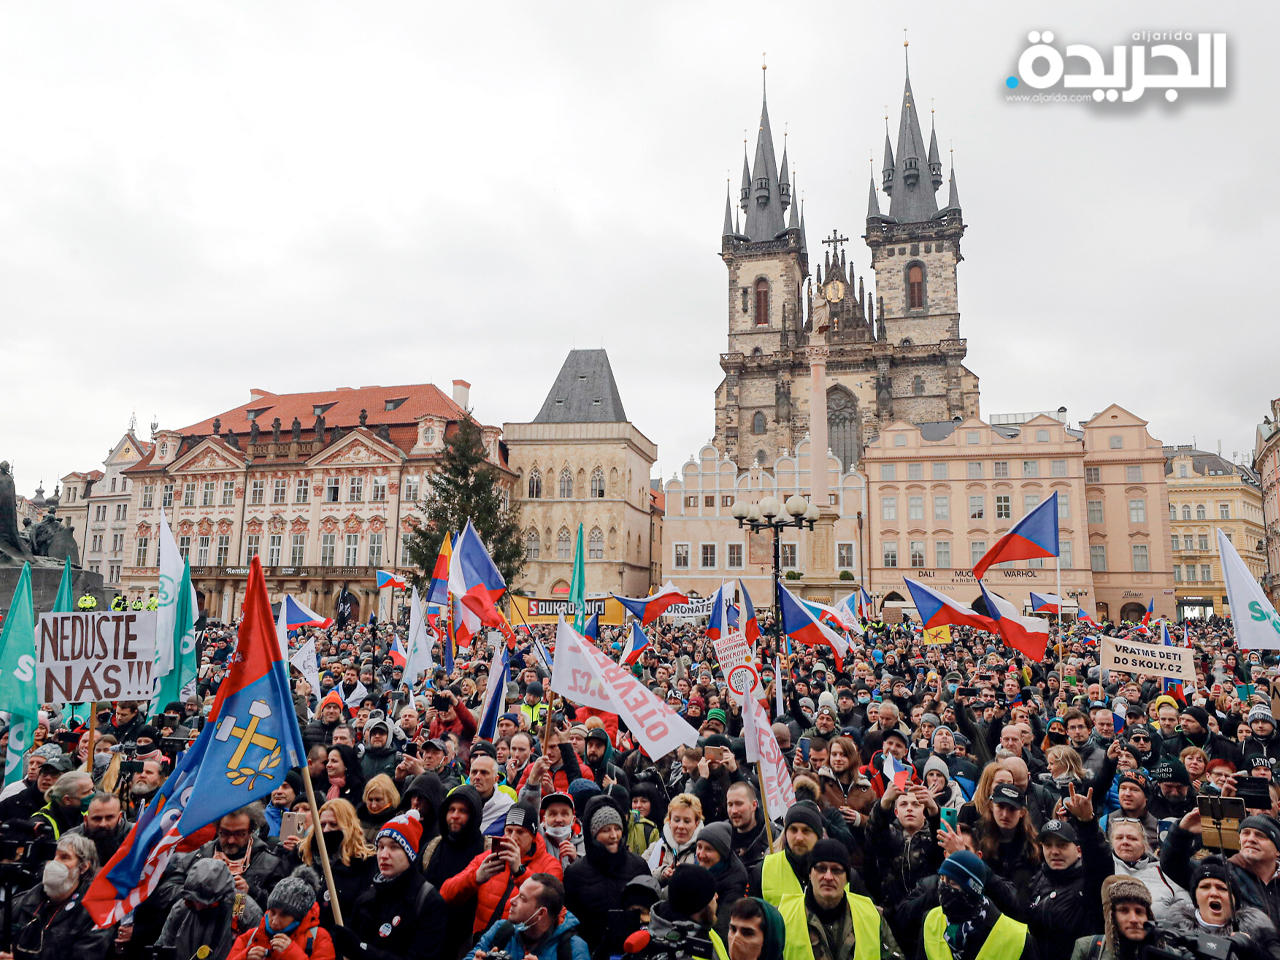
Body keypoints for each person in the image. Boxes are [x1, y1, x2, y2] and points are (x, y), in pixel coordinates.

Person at [330, 810, 448, 960]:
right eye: (380, 847)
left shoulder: (428, 901)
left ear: (410, 853)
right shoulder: (366, 898)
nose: (384, 855)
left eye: (394, 847)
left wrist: (360, 949)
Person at [442, 802, 562, 938]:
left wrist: (520, 872)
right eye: (509, 831)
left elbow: (552, 908)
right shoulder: (488, 858)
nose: (513, 837)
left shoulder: (550, 865)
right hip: (482, 942)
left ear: (533, 836)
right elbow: (445, 893)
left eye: (520, 832)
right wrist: (475, 877)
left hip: (520, 944)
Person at [777, 838, 902, 960]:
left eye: (836, 870)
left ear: (847, 878)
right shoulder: (782, 917)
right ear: (810, 874)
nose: (828, 877)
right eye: (821, 868)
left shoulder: (871, 915)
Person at [563, 796, 649, 958]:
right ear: (593, 834)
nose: (614, 835)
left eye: (617, 828)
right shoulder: (575, 873)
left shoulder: (638, 866)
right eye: (606, 830)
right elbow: (570, 923)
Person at [8, 834, 112, 960]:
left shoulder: (96, 914)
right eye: (52, 856)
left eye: (64, 857)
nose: (54, 862)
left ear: (83, 867)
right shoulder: (21, 902)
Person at [922, 851, 1038, 960]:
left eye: (953, 882)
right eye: (942, 879)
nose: (944, 887)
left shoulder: (1017, 938)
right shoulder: (931, 920)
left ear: (972, 890)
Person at [1161, 856, 1280, 958]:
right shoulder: (1173, 927)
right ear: (1195, 897)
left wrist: (1251, 950)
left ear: (1235, 900)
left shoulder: (1259, 929)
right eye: (1205, 887)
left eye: (1222, 888)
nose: (1214, 893)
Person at [176, 804, 288, 909]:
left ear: (251, 831)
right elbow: (169, 890)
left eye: (239, 834)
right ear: (217, 829)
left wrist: (251, 893)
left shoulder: (271, 864)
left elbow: (278, 910)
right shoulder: (200, 855)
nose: (231, 840)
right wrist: (197, 893)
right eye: (225, 833)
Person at [293, 798, 376, 930]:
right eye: (322, 825)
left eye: (333, 824)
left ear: (348, 827)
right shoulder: (305, 858)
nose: (326, 830)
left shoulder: (365, 864)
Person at [159, 859, 265, 960]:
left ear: (224, 896)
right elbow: (162, 949)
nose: (198, 907)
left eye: (207, 904)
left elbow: (258, 952)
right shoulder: (181, 909)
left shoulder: (242, 908)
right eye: (193, 901)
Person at [473, 873, 590, 960]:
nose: (512, 901)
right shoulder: (501, 930)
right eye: (518, 894)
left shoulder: (574, 949)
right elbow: (471, 955)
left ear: (541, 913)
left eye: (522, 898)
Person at [227, 868, 334, 960]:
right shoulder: (250, 937)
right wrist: (244, 957)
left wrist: (292, 954)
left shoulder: (318, 938)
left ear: (299, 917)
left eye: (284, 915)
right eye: (272, 912)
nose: (274, 921)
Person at [645, 864, 727, 960]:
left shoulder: (706, 930)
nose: (717, 896)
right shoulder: (677, 953)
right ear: (700, 905)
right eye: (712, 894)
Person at [748, 802, 824, 904]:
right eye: (793, 830)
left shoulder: (838, 870)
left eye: (806, 830)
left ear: (818, 835)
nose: (799, 837)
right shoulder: (763, 870)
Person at [1068, 875, 1153, 960]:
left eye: (1139, 911)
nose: (1134, 919)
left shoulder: (1158, 952)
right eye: (1124, 910)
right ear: (1110, 915)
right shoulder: (1087, 948)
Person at [696, 822, 749, 938]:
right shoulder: (698, 867)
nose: (701, 854)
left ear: (722, 853)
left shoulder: (736, 879)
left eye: (708, 849)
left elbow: (723, 927)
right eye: (699, 847)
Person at [643, 792, 703, 880]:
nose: (681, 826)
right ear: (669, 821)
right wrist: (661, 874)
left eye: (687, 821)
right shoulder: (655, 848)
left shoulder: (704, 852)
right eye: (677, 820)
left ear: (696, 823)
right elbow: (639, 876)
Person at [65, 791, 131, 869]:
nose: (103, 824)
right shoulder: (69, 840)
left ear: (119, 817)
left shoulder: (135, 836)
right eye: (97, 818)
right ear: (86, 819)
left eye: (109, 818)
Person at [30, 770, 93, 839]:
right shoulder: (43, 822)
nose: (93, 794)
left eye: (92, 789)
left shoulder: (86, 811)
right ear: (67, 800)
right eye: (86, 792)